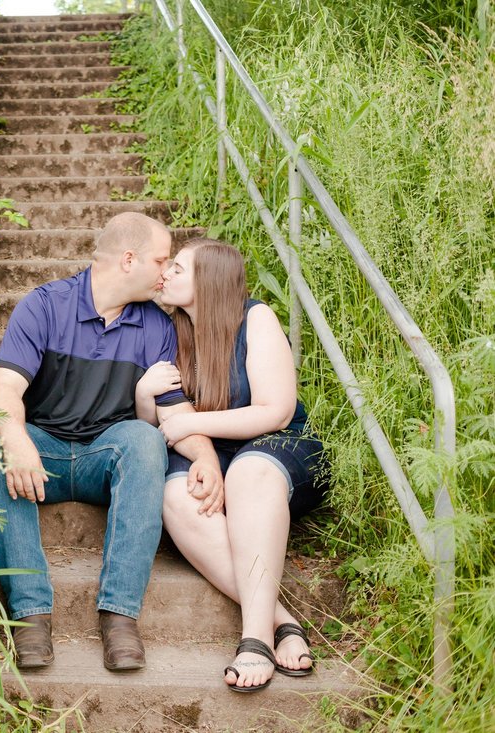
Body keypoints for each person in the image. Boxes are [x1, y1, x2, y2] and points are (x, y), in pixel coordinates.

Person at [0, 212, 224, 671]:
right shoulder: (45, 306)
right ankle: (30, 614)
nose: (166, 271)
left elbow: (172, 412)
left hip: (102, 457)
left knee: (144, 439)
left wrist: (206, 454)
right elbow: (3, 388)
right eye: (160, 260)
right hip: (42, 453)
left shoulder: (156, 326)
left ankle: (119, 616)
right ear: (129, 260)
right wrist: (15, 437)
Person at [135, 238, 329, 692]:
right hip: (211, 453)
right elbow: (163, 424)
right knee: (174, 495)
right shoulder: (167, 331)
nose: (166, 275)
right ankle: (282, 621)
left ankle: (254, 638)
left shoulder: (255, 318)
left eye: (178, 268)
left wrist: (193, 424)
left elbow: (275, 410)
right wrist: (145, 397)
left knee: (249, 471)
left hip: (279, 447)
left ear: (209, 278)